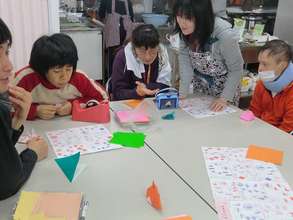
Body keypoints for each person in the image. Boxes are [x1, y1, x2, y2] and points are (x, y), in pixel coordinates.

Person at [0, 18, 48, 200]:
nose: (8, 65)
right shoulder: (26, 78)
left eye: (7, 52)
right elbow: (8, 182)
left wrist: (18, 121)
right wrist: (33, 154)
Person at [14, 33, 108, 120]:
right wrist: (34, 111)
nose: (64, 76)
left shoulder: (78, 78)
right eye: (57, 71)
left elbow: (103, 99)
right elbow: (4, 110)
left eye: (68, 69)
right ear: (42, 69)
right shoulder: (25, 78)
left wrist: (74, 106)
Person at [173, 0, 244, 112]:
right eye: (179, 16)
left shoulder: (224, 35)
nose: (182, 23)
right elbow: (185, 61)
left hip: (225, 88)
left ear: (202, 16)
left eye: (188, 18)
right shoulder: (185, 32)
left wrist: (224, 99)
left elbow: (236, 69)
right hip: (201, 85)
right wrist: (182, 94)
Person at [111, 24, 171, 101]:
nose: (148, 57)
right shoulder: (123, 56)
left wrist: (146, 88)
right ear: (134, 48)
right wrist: (136, 92)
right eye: (142, 52)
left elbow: (165, 86)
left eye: (152, 52)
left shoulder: (161, 53)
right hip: (127, 105)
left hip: (153, 104)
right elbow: (117, 93)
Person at [249, 40, 293, 134]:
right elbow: (254, 113)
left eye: (265, 64)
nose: (260, 69)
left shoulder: (291, 91)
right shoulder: (262, 84)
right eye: (259, 63)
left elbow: (288, 129)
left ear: (282, 65)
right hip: (261, 132)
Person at [98, 0, 134, 79]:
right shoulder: (128, 1)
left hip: (114, 33)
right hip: (126, 33)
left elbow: (101, 15)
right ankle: (124, 79)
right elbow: (132, 17)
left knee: (112, 58)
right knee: (126, 57)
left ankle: (111, 81)